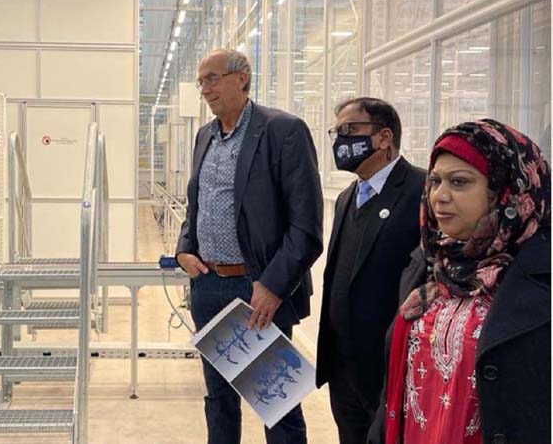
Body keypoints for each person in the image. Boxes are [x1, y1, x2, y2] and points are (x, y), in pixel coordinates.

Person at [368, 119, 551, 444]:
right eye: (435, 181)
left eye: (459, 182)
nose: (439, 196)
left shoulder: (541, 278)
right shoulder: (428, 264)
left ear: (505, 190)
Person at [175, 49, 323, 444]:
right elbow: (197, 204)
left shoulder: (282, 131)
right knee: (218, 399)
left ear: (242, 78)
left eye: (212, 78)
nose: (205, 89)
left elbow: (306, 225)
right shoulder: (205, 136)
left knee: (277, 404)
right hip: (208, 285)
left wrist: (273, 285)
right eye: (201, 81)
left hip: (256, 290)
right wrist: (185, 248)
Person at [315, 97, 426, 444]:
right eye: (336, 132)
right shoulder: (346, 197)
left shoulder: (421, 191)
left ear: (383, 137)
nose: (340, 140)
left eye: (349, 130)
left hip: (388, 363)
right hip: (343, 365)